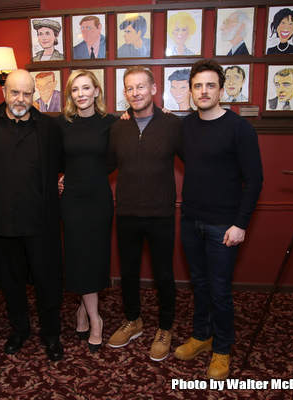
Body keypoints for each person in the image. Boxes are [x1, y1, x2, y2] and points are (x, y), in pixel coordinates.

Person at [174, 58, 263, 381]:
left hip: (224, 226)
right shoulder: (186, 126)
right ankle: (202, 336)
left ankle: (222, 349)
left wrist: (240, 224)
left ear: (222, 90)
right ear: (191, 91)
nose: (203, 91)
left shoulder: (240, 128)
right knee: (198, 285)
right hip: (191, 220)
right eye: (198, 86)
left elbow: (254, 180)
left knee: (220, 290)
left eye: (210, 85)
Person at [0, 69, 64, 362]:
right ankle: (20, 329)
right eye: (15, 92)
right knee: (11, 283)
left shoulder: (49, 129)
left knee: (46, 282)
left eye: (27, 93)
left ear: (34, 95)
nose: (21, 99)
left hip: (39, 223)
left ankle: (51, 334)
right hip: (1, 223)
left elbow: (76, 151)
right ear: (4, 93)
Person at [107, 66, 182, 362]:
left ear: (153, 89)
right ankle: (133, 320)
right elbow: (105, 165)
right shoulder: (118, 127)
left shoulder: (173, 125)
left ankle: (165, 328)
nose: (135, 93)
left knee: (164, 274)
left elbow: (196, 160)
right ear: (125, 93)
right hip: (126, 212)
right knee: (128, 272)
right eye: (129, 88)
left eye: (141, 87)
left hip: (160, 213)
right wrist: (68, 176)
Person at [57, 70, 117, 353]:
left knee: (94, 257)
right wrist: (62, 175)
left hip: (99, 200)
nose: (80, 94)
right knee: (78, 257)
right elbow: (54, 157)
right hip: (72, 200)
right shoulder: (62, 124)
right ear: (70, 95)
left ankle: (85, 311)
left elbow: (117, 157)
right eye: (75, 90)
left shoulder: (112, 122)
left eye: (86, 88)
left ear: (96, 91)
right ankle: (95, 318)